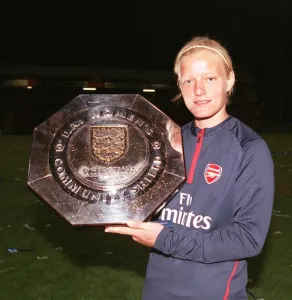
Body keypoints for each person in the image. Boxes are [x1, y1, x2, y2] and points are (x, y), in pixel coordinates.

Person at [105, 36, 275, 300]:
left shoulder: (249, 148)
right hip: (157, 289)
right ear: (179, 85)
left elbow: (248, 238)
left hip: (215, 293)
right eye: (189, 80)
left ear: (229, 80)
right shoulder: (164, 143)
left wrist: (166, 240)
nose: (198, 90)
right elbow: (145, 204)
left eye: (209, 78)